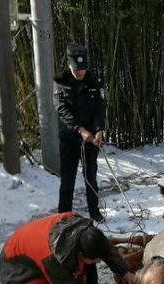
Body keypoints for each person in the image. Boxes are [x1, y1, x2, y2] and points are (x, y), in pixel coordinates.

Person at [0, 212, 134, 284]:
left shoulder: (81, 227)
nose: (99, 262)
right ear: (79, 253)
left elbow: (105, 247)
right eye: (95, 259)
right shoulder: (52, 258)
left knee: (88, 261)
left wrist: (124, 271)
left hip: (31, 256)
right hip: (16, 274)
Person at [54, 42, 105, 222]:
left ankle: (94, 210)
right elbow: (61, 110)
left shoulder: (93, 80)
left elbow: (100, 106)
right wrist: (80, 130)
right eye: (77, 71)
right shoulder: (60, 81)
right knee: (68, 179)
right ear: (69, 64)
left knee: (91, 175)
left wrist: (99, 129)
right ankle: (63, 216)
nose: (80, 74)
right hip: (70, 138)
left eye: (83, 70)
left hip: (91, 139)